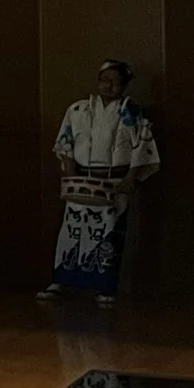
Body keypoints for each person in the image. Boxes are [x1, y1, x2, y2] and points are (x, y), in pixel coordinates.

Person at [39, 61, 159, 308]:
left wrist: (130, 178)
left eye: (115, 81)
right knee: (70, 232)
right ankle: (61, 280)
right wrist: (70, 172)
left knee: (108, 235)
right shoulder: (78, 109)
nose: (109, 84)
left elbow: (142, 147)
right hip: (82, 179)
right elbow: (65, 142)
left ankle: (105, 287)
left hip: (113, 181)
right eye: (105, 79)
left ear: (124, 85)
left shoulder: (131, 112)